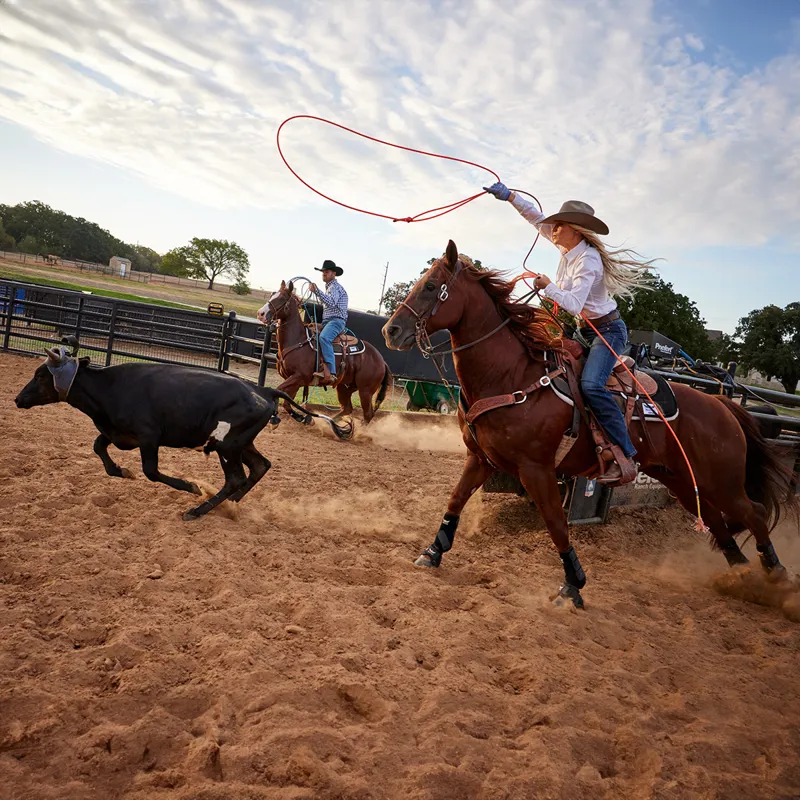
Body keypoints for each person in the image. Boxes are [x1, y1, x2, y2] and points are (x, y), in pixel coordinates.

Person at [483, 182, 654, 484]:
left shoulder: (588, 260)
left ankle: (626, 455)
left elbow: (574, 304)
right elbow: (535, 217)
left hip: (606, 332)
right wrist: (509, 196)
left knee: (591, 386)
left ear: (574, 229)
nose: (553, 228)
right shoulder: (566, 245)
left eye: (559, 224)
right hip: (584, 331)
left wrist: (547, 286)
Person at [308, 259, 349, 385]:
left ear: (334, 274)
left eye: (327, 271)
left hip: (336, 321)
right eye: (323, 271)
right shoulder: (329, 287)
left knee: (324, 338)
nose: (324, 273)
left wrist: (317, 291)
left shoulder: (334, 287)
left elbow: (331, 302)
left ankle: (331, 372)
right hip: (328, 322)